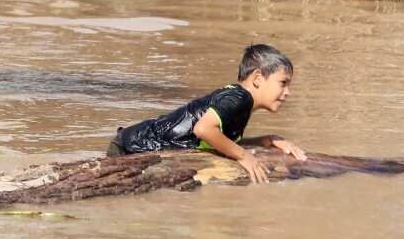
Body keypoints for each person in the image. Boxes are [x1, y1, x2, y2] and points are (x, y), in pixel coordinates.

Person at [107, 44, 307, 183]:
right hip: (132, 146)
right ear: (257, 78)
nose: (288, 92)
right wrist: (244, 156)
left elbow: (216, 139)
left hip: (130, 142)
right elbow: (203, 129)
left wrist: (266, 140)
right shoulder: (239, 98)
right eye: (283, 83)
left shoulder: (238, 101)